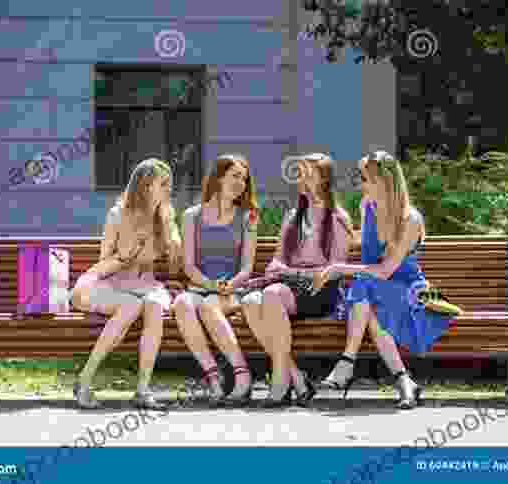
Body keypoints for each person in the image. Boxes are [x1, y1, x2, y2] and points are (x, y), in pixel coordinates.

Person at [312, 150, 455, 409]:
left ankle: (346, 362)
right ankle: (404, 382)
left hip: (410, 291)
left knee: (365, 287)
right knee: (370, 297)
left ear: (384, 182)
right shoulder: (367, 206)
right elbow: (365, 246)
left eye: (364, 178)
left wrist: (339, 268)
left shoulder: (410, 220)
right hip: (375, 291)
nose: (359, 183)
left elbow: (387, 270)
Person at [240, 153, 355, 407]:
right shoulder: (293, 216)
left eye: (307, 172)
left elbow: (334, 270)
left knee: (271, 295)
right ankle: (296, 377)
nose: (300, 177)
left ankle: (280, 383)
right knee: (249, 301)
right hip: (288, 288)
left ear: (324, 179)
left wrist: (290, 273)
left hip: (321, 290)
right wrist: (276, 270)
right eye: (299, 172)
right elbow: (277, 260)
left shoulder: (338, 218)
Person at [70, 158, 181, 410]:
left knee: (153, 306)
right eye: (163, 184)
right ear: (144, 186)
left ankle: (142, 389)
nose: (168, 189)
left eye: (169, 184)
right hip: (116, 285)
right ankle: (85, 380)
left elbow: (174, 267)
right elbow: (104, 261)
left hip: (148, 286)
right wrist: (125, 257)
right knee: (131, 305)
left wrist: (174, 244)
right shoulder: (118, 214)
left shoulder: (165, 215)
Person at [173, 154, 259, 407]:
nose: (240, 183)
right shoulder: (191, 216)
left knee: (209, 304)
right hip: (201, 286)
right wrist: (210, 285)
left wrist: (229, 285)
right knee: (181, 304)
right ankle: (214, 378)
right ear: (219, 178)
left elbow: (247, 267)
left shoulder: (248, 217)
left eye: (244, 179)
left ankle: (242, 375)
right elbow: (188, 265)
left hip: (234, 289)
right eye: (235, 176)